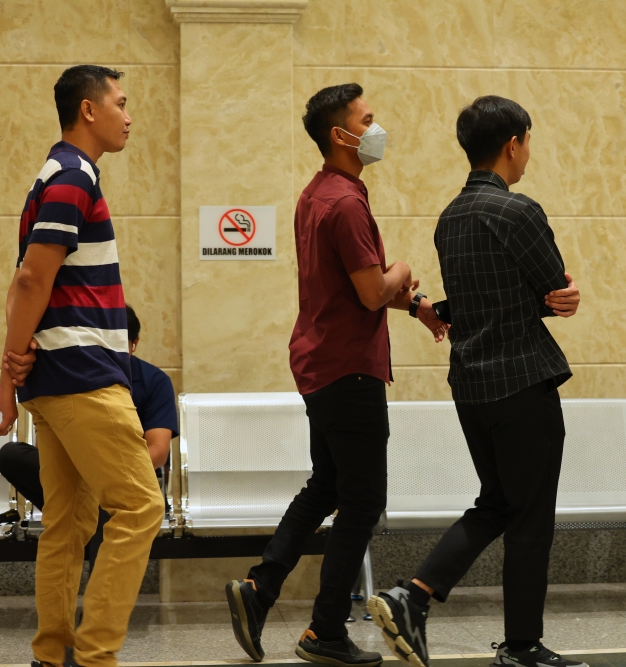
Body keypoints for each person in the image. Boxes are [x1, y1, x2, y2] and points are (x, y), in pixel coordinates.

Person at [223, 83, 447, 667]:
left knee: (327, 484)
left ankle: (260, 588)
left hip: (322, 361)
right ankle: (324, 631)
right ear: (340, 135)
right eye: (368, 120)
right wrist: (403, 270)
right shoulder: (345, 203)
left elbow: (351, 288)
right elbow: (373, 287)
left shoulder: (320, 194)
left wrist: (417, 306)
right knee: (364, 499)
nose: (378, 129)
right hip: (348, 369)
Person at [367, 96, 583, 667]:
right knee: (530, 516)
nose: (528, 153)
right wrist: (562, 298)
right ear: (514, 144)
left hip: (471, 384)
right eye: (528, 142)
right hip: (522, 381)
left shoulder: (450, 218)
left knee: (498, 501)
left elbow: (473, 304)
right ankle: (522, 645)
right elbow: (551, 285)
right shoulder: (519, 211)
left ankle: (412, 594)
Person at [0, 65, 166, 667]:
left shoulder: (54, 174)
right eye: (120, 102)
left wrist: (10, 377)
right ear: (88, 111)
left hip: (56, 378)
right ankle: (94, 656)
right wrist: (9, 372)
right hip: (86, 375)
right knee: (142, 506)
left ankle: (52, 652)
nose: (129, 115)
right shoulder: (72, 175)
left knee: (69, 521)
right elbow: (32, 277)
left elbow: (24, 284)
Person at [0, 304, 177, 567]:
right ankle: (81, 508)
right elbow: (51, 444)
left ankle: (98, 599)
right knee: (12, 455)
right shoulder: (74, 375)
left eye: (117, 343)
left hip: (123, 475)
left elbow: (159, 452)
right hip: (72, 471)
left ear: (134, 344)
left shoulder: (154, 380)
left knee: (107, 499)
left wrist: (102, 468)